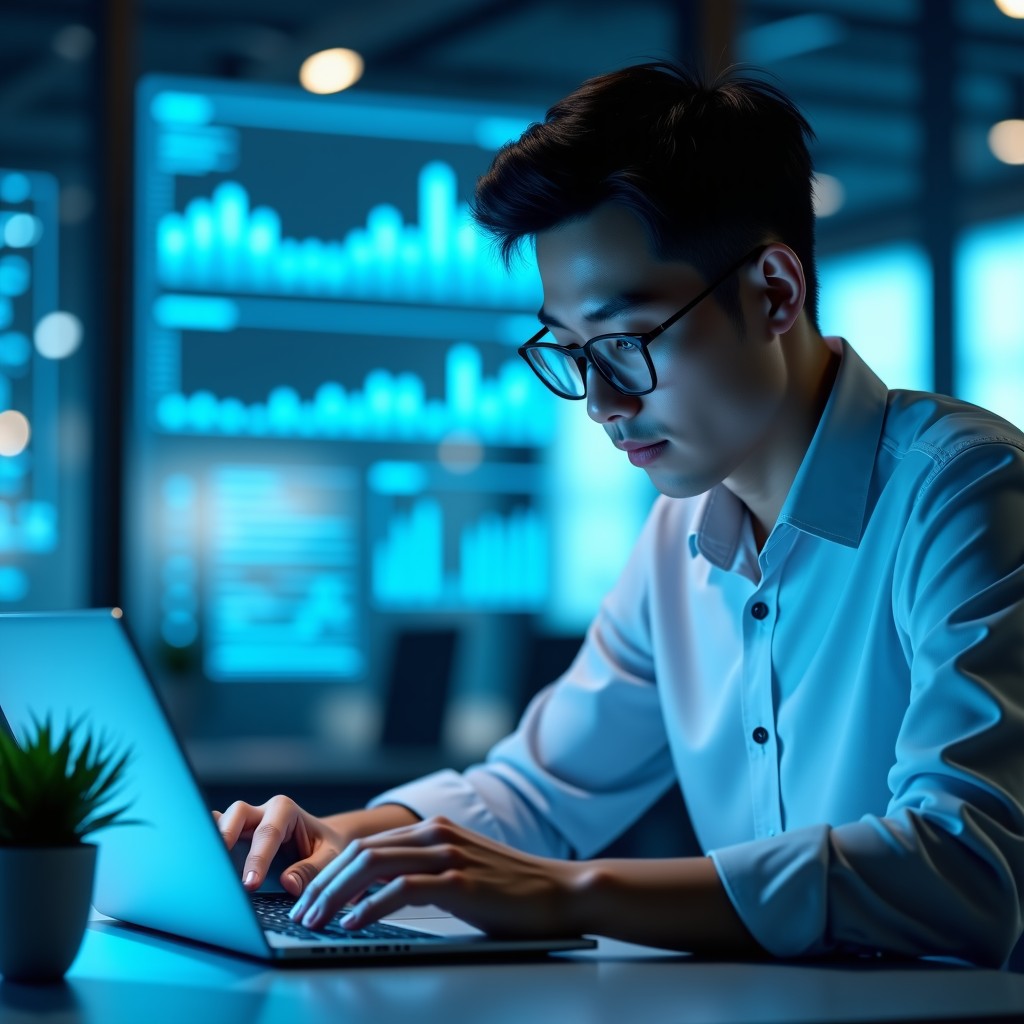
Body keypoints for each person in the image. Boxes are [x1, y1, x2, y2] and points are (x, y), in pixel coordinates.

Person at [214, 62, 1024, 966]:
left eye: (626, 341)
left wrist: (569, 894)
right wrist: (342, 840)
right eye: (571, 351)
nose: (600, 402)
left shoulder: (966, 492)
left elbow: (967, 869)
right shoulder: (680, 533)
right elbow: (541, 788)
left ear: (774, 292)